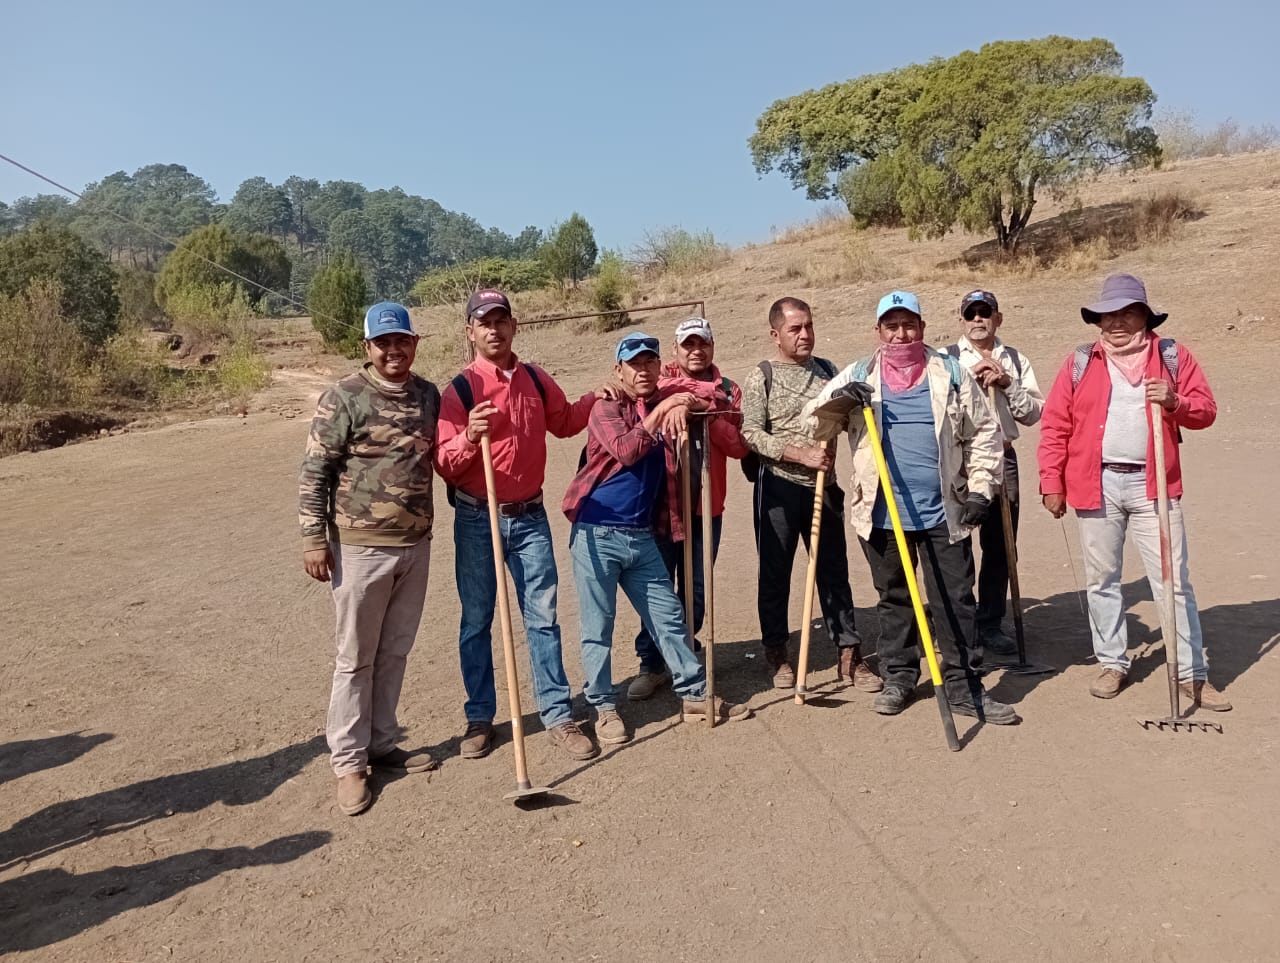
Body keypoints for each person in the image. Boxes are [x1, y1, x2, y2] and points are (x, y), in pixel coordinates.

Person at [806, 291, 1020, 725]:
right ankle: (899, 678)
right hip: (882, 512)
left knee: (955, 600)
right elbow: (814, 422)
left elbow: (983, 433)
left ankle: (965, 688)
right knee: (894, 600)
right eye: (891, 326)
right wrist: (842, 400)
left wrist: (981, 490)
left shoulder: (950, 372)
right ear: (879, 331)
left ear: (922, 328)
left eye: (909, 325)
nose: (900, 334)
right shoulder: (859, 372)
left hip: (945, 510)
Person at [435, 289, 614, 762]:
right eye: (483, 323)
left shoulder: (535, 379)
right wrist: (471, 437)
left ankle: (557, 714)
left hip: (530, 517)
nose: (493, 330)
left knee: (542, 619)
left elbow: (567, 422)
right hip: (478, 517)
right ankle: (480, 717)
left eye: (501, 321)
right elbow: (445, 464)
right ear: (470, 331)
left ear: (514, 326)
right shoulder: (462, 391)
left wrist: (598, 397)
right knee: (477, 620)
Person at [1038, 274, 1229, 710]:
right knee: (1101, 580)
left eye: (1127, 312)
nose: (1117, 322)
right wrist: (1052, 481)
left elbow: (1207, 411)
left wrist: (1175, 401)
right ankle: (1112, 663)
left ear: (1145, 316)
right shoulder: (1079, 362)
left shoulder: (1172, 357)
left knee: (1173, 581)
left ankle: (1191, 674)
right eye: (1109, 314)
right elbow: (1055, 426)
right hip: (1095, 482)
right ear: (1098, 320)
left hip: (1154, 487)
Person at [564, 333, 753, 744]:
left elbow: (719, 404)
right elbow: (627, 449)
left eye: (649, 362)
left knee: (669, 617)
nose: (643, 370)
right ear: (619, 370)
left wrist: (685, 401)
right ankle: (603, 706)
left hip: (642, 534)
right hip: (597, 532)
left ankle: (694, 694)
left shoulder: (663, 398)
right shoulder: (605, 406)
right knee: (598, 624)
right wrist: (666, 407)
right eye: (633, 364)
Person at [299, 301, 441, 817]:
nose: (393, 350)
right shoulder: (344, 397)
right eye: (383, 343)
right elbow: (315, 473)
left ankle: (382, 742)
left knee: (395, 650)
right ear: (368, 348)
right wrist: (315, 539)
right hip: (359, 547)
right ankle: (349, 762)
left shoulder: (429, 395)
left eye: (401, 340)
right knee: (355, 656)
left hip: (416, 544)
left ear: (414, 343)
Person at [741, 297, 876, 691]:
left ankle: (849, 654)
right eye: (795, 329)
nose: (804, 335)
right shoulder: (761, 375)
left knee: (834, 572)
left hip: (825, 487)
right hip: (779, 488)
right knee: (775, 573)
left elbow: (848, 419)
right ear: (775, 334)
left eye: (809, 326)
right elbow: (750, 433)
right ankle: (778, 654)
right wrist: (798, 453)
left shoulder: (830, 372)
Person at [628, 317, 749, 701]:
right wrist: (678, 399)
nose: (696, 350)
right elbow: (639, 401)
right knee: (657, 588)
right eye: (687, 345)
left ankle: (683, 648)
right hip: (662, 505)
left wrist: (702, 410)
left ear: (713, 346)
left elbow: (739, 446)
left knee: (695, 587)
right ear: (676, 349)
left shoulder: (729, 390)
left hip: (706, 506)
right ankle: (652, 663)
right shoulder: (657, 382)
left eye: (703, 343)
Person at [944, 290, 1044, 655]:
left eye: (984, 312)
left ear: (998, 318)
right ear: (961, 321)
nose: (977, 320)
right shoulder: (946, 360)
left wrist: (1006, 382)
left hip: (1003, 458)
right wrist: (965, 380)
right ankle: (962, 625)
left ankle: (990, 623)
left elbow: (1034, 413)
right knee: (956, 544)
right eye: (970, 314)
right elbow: (936, 410)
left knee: (1001, 544)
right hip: (959, 462)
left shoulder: (1015, 359)